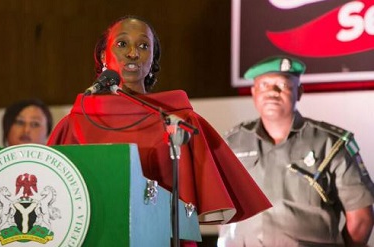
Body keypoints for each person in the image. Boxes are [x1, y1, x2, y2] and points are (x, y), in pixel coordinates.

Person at [47, 15, 271, 245]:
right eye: (122, 44)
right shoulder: (77, 122)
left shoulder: (178, 120)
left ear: (152, 58)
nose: (133, 53)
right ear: (104, 55)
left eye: (143, 46)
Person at [219, 55, 374, 246]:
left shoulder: (330, 143)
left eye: (282, 85)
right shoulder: (229, 144)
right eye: (264, 85)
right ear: (253, 92)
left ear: (299, 92)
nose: (272, 92)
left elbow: (360, 218)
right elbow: (218, 209)